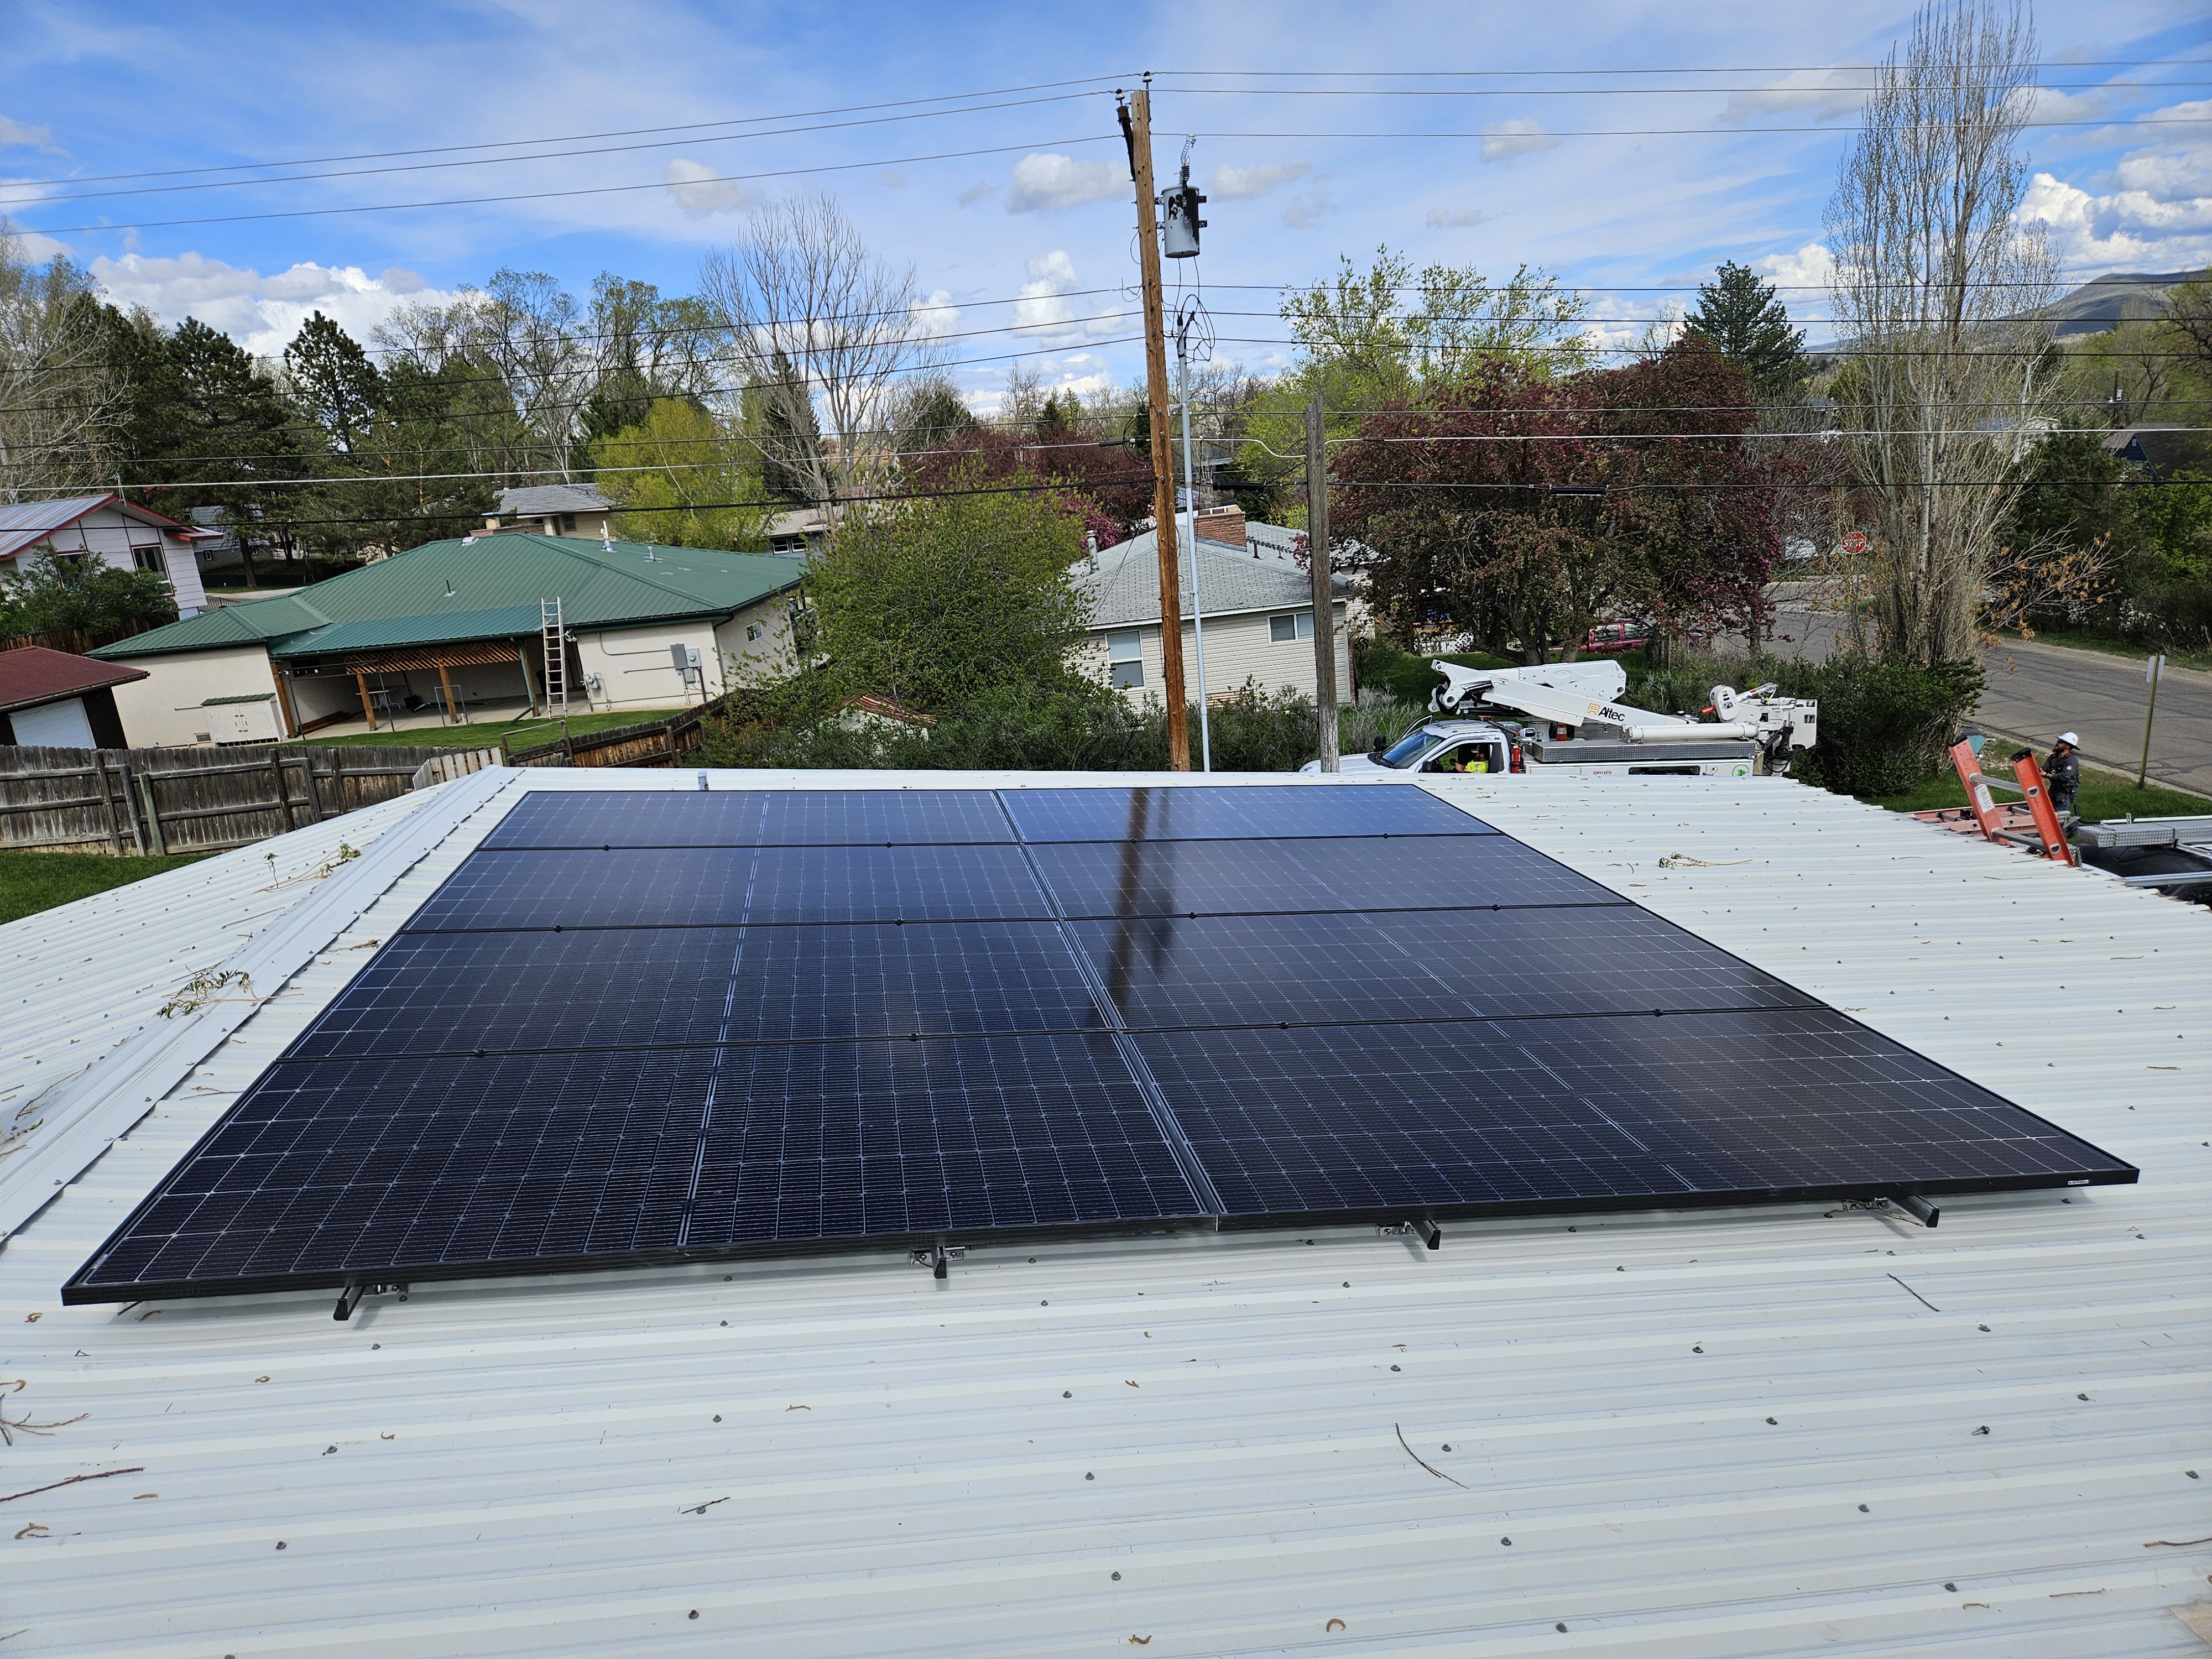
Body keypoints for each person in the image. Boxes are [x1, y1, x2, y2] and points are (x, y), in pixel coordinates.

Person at [2046, 732, 2081, 820]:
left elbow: (2065, 776)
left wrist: (2048, 776)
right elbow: (2044, 769)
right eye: (2058, 741)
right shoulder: (2054, 757)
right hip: (2053, 790)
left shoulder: (2072, 760)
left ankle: (2069, 829)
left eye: (2060, 742)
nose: (2057, 743)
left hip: (2063, 793)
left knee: (2058, 822)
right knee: (2047, 817)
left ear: (2068, 746)